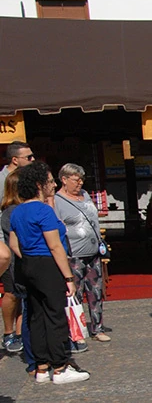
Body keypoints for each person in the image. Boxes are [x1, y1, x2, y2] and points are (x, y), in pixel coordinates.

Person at [8, 162, 90, 384]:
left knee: (36, 315)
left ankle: (42, 366)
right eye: (50, 181)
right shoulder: (43, 210)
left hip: (29, 264)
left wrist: (29, 258)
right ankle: (60, 366)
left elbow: (13, 243)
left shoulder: (17, 212)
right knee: (55, 315)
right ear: (38, 185)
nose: (53, 185)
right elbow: (55, 246)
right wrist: (68, 278)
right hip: (47, 263)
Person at [54, 163, 109, 344]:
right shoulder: (57, 201)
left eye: (81, 179)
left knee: (95, 291)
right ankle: (76, 331)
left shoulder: (85, 195)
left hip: (93, 251)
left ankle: (97, 327)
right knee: (75, 293)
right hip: (74, 254)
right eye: (76, 179)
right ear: (64, 179)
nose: (80, 183)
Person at [1, 170, 25, 354]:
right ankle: (9, 333)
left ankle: (19, 333)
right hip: (10, 258)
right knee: (12, 294)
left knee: (22, 295)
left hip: (21, 259)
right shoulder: (9, 211)